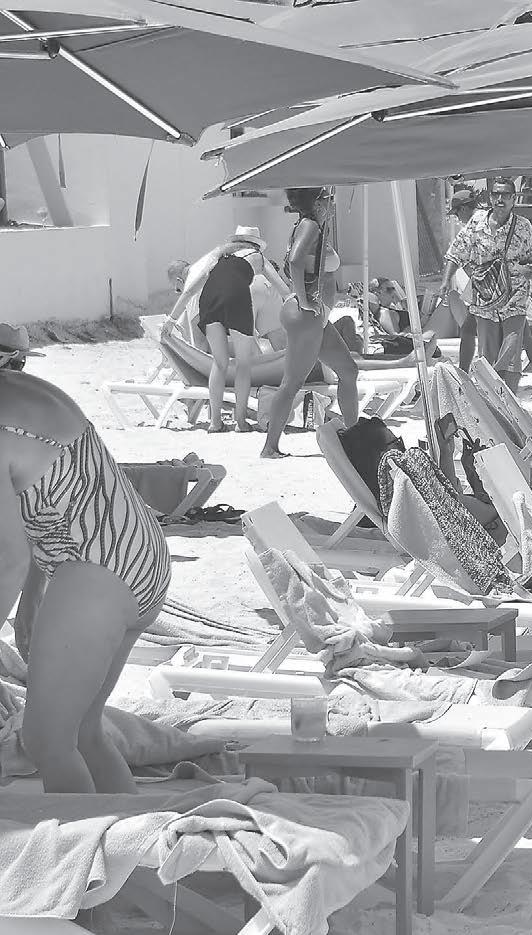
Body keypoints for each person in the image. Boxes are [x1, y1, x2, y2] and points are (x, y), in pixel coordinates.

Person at [0, 325, 171, 793]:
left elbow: (10, 557)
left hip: (96, 573)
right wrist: (32, 601)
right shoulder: (33, 394)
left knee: (46, 742)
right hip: (138, 554)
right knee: (83, 734)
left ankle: (82, 840)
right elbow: (54, 502)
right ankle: (134, 833)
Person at [341, 416, 532, 548]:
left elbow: (450, 505)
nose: (402, 446)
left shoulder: (404, 492)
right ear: (378, 457)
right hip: (510, 539)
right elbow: (464, 515)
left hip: (502, 528)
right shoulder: (405, 488)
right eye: (395, 443)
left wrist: (453, 459)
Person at [261, 187, 359, 458]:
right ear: (316, 202)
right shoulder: (310, 226)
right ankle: (270, 447)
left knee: (349, 371)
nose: (331, 203)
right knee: (292, 383)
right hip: (306, 316)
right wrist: (304, 300)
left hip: (315, 318)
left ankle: (354, 436)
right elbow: (294, 261)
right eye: (327, 199)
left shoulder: (311, 227)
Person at [171, 227, 286, 433]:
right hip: (236, 298)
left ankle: (215, 422)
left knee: (220, 363)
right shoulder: (257, 257)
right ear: (255, 245)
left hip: (209, 300)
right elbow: (281, 287)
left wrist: (171, 320)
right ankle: (240, 422)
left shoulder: (219, 257)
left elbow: (189, 291)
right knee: (243, 365)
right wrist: (297, 303)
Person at [445, 177, 532, 392]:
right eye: (496, 194)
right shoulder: (477, 223)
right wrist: (446, 282)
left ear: (513, 199)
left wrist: (527, 270)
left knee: (512, 347)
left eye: (505, 195)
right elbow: (457, 252)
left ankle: (507, 393)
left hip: (515, 297)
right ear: (490, 197)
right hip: (486, 298)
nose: (500, 199)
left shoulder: (523, 226)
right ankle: (488, 388)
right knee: (488, 352)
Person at [434, 185, 484, 370]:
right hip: (495, 286)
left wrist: (445, 281)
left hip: (487, 287)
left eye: (456, 214)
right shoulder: (493, 219)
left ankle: (465, 371)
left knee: (470, 331)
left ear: (463, 209)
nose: (457, 219)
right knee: (517, 330)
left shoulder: (473, 225)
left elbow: (454, 255)